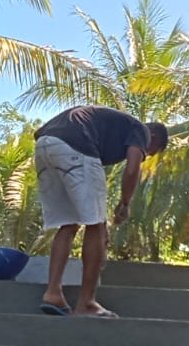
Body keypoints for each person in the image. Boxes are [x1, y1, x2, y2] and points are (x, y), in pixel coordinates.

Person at [33, 105, 168, 317]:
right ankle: (86, 303)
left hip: (44, 146)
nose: (146, 155)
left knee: (68, 223)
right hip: (76, 148)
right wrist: (125, 203)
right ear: (153, 138)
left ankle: (53, 293)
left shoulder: (109, 125)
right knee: (96, 225)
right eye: (151, 151)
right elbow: (132, 168)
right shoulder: (141, 130)